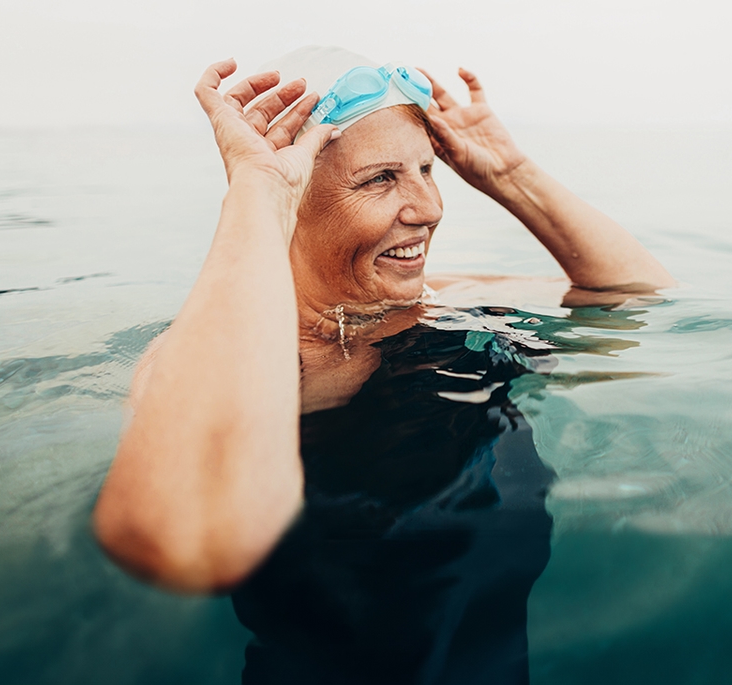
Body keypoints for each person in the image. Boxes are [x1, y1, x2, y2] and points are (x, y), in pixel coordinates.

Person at [92, 46, 674, 683]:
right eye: (381, 179)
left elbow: (634, 300)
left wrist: (509, 175)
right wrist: (256, 192)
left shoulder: (443, 303)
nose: (428, 207)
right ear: (293, 190)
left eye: (427, 170)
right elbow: (177, 536)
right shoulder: (213, 355)